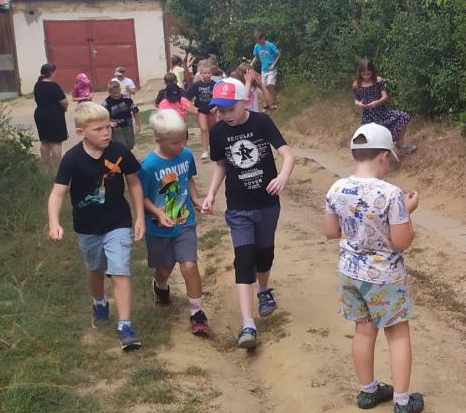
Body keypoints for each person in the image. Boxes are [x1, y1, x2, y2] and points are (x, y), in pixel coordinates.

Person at [323, 123, 424, 413]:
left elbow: (331, 231)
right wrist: (407, 212)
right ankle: (402, 403)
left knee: (364, 330)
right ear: (383, 156)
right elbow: (401, 241)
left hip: (350, 273)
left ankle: (368, 391)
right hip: (384, 277)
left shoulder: (336, 188)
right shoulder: (392, 194)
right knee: (398, 334)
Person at [201, 76, 295, 349]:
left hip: (267, 203)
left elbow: (288, 155)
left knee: (265, 255)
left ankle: (263, 290)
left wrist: (282, 177)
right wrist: (211, 194)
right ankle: (248, 324)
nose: (225, 115)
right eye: (220, 110)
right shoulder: (218, 132)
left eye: (230, 109)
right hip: (238, 206)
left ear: (244, 102)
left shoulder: (261, 122)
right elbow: (221, 165)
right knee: (244, 259)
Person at [46, 102, 146, 351]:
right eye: (98, 129)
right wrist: (54, 222)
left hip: (118, 222)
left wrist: (140, 217)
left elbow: (134, 183)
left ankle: (125, 326)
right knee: (95, 268)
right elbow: (58, 193)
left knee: (120, 268)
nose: (106, 133)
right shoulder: (72, 158)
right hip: (88, 226)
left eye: (108, 127)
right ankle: (99, 301)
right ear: (81, 132)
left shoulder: (119, 151)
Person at [140, 110, 209, 337]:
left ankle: (197, 313)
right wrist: (157, 213)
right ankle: (160, 286)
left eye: (184, 139)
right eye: (175, 142)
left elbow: (188, 179)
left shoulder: (186, 155)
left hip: (184, 222)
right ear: (159, 140)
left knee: (189, 265)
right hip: (159, 227)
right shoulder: (149, 166)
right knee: (164, 269)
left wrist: (195, 199)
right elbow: (142, 197)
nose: (182, 145)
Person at [353, 58, 414, 154]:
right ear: (359, 73)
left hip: (382, 112)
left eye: (368, 74)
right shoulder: (356, 84)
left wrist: (377, 102)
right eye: (363, 74)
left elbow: (385, 96)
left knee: (404, 116)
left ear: (372, 72)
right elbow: (356, 99)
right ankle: (376, 156)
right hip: (368, 116)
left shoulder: (378, 80)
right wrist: (358, 103)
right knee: (370, 136)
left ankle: (400, 144)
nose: (366, 76)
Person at [33, 63, 69, 172]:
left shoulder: (37, 85)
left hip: (40, 114)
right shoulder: (54, 86)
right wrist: (65, 109)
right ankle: (56, 169)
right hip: (54, 115)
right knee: (56, 142)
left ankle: (44, 167)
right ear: (51, 72)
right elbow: (64, 102)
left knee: (45, 141)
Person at [185, 62, 218, 158]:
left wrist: (216, 107)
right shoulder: (196, 85)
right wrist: (193, 107)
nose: (207, 75)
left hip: (212, 109)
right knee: (203, 129)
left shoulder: (215, 85)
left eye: (209, 73)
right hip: (201, 110)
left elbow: (220, 98)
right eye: (204, 73)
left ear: (211, 74)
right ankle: (205, 150)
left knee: (212, 130)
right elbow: (186, 98)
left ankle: (214, 148)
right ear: (200, 73)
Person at [103, 78, 138, 151]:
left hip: (128, 126)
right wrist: (109, 122)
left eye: (118, 92)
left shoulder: (127, 99)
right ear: (109, 92)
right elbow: (102, 116)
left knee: (130, 145)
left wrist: (138, 124)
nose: (116, 95)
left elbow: (135, 111)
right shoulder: (106, 103)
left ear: (120, 90)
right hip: (116, 128)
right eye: (114, 93)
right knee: (122, 146)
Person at [250, 31, 281, 109]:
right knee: (263, 86)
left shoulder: (270, 45)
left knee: (270, 85)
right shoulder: (257, 46)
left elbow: (278, 54)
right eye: (257, 42)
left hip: (272, 69)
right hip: (264, 70)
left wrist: (273, 64)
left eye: (259, 41)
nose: (258, 43)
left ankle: (273, 101)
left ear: (263, 38)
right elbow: (256, 56)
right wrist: (251, 64)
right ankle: (267, 102)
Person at [114, 67, 140, 131]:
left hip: (126, 101)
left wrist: (128, 89)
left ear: (123, 74)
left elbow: (133, 92)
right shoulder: (113, 81)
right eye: (117, 75)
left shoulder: (129, 81)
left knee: (128, 115)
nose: (119, 77)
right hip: (116, 101)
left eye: (120, 76)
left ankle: (130, 127)